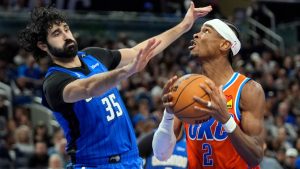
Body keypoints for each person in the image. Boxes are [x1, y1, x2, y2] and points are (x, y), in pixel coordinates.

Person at [18, 3, 212, 169]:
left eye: (66, 28)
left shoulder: (94, 55)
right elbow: (88, 88)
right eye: (56, 33)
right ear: (43, 46)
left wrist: (184, 26)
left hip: (131, 161)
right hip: (94, 164)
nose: (66, 35)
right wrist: (126, 71)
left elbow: (141, 51)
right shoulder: (53, 83)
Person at [152, 18, 265, 169]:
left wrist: (226, 120)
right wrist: (168, 113)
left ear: (224, 44)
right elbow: (161, 154)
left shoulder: (247, 89)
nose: (196, 35)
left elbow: (255, 157)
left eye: (206, 31)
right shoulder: (185, 90)